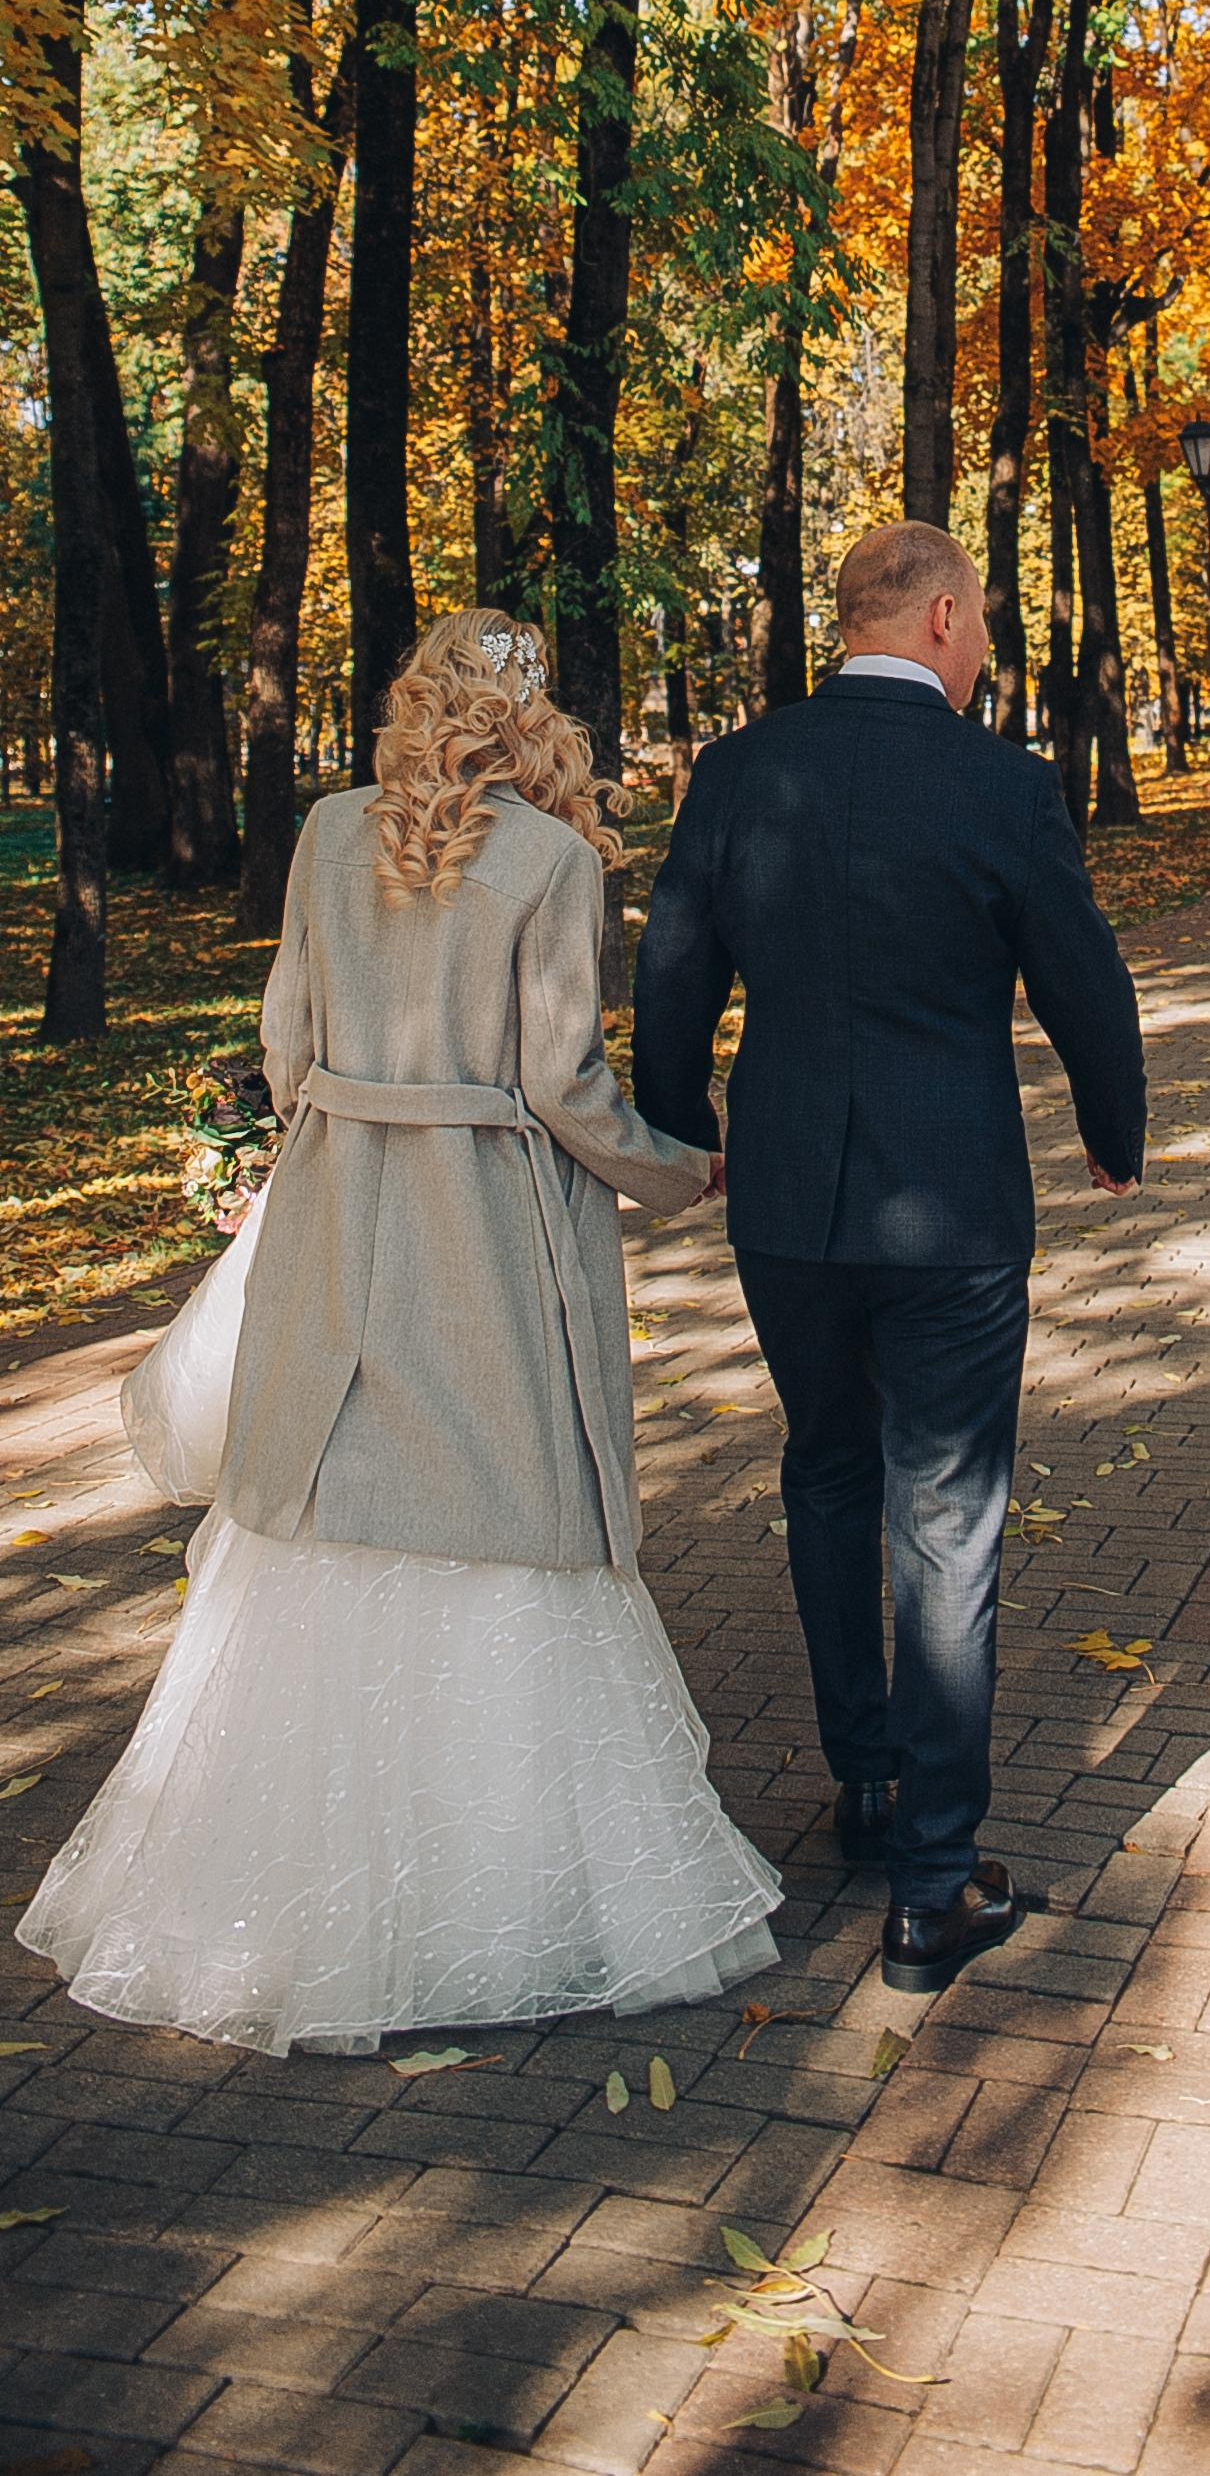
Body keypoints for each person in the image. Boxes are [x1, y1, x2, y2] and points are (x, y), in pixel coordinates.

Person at [19, 613, 782, 2058]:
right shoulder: (553, 863)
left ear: (413, 703)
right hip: (482, 1225)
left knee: (321, 1501)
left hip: (340, 1200)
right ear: (531, 722)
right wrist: (677, 1167)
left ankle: (272, 1905)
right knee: (504, 1501)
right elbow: (562, 1083)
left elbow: (288, 1042)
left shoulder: (319, 835)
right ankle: (512, 1900)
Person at [634, 522, 1148, 1996]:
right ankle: (932, 1882)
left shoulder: (739, 772)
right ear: (935, 617)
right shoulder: (998, 781)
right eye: (979, 625)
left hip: (788, 1200)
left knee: (826, 1472)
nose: (983, 649)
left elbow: (670, 972)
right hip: (955, 1211)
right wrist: (1113, 1131)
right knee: (950, 1517)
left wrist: (688, 1127)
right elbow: (1082, 981)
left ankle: (863, 1784)